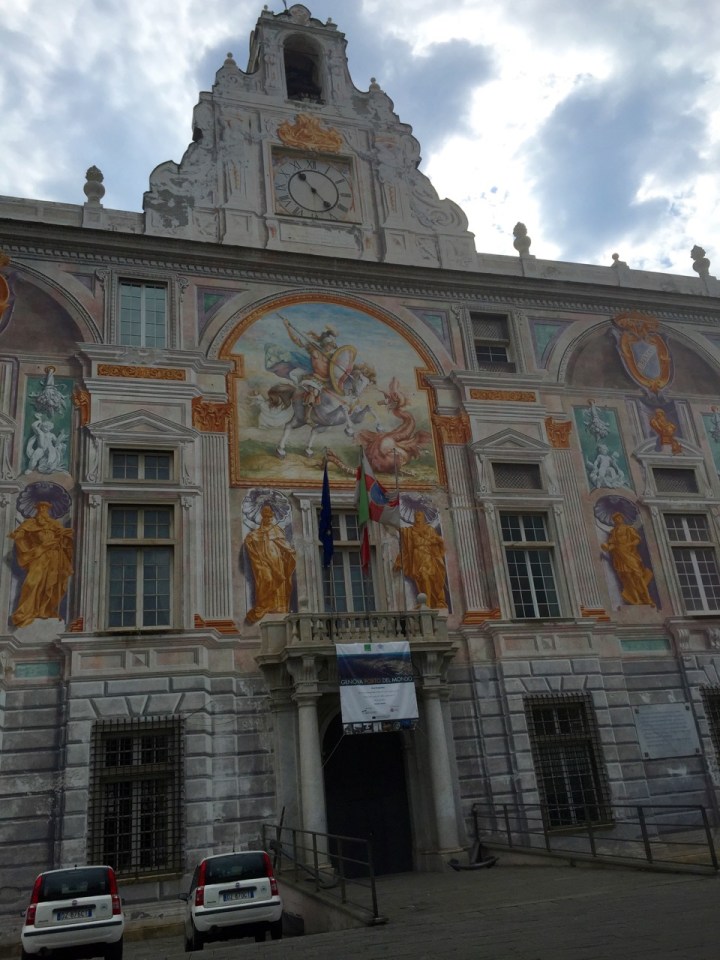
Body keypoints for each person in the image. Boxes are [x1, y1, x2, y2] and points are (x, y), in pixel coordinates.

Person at [8, 501, 74, 627]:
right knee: (31, 582)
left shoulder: (55, 524)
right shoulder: (30, 523)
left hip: (54, 557)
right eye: (40, 507)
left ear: (48, 510)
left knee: (51, 584)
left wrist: (64, 536)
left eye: (45, 508)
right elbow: (21, 533)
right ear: (36, 509)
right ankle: (25, 612)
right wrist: (17, 535)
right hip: (39, 556)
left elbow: (66, 536)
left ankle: (45, 610)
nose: (42, 510)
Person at [244, 504, 296, 623]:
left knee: (278, 584)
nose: (268, 519)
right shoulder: (255, 533)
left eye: (270, 517)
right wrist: (251, 539)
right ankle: (264, 605)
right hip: (263, 562)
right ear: (262, 517)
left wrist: (291, 551)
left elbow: (283, 544)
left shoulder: (276, 530)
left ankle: (278, 607)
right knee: (266, 579)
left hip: (277, 561)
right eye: (266, 517)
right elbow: (251, 542)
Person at [395, 511, 447, 609]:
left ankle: (427, 603)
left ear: (423, 517)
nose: (417, 517)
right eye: (415, 515)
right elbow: (402, 534)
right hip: (416, 556)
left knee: (425, 576)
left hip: (426, 555)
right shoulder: (410, 530)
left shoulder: (429, 529)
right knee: (419, 580)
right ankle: (424, 600)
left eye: (419, 515)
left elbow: (438, 541)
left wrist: (431, 540)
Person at [601, 512, 655, 606]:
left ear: (622, 518)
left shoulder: (629, 529)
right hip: (620, 557)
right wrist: (607, 548)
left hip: (630, 555)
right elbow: (612, 544)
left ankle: (648, 599)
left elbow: (637, 539)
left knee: (639, 577)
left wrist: (630, 544)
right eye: (616, 519)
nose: (618, 520)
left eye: (619, 518)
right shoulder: (613, 532)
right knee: (628, 580)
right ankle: (636, 600)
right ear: (614, 521)